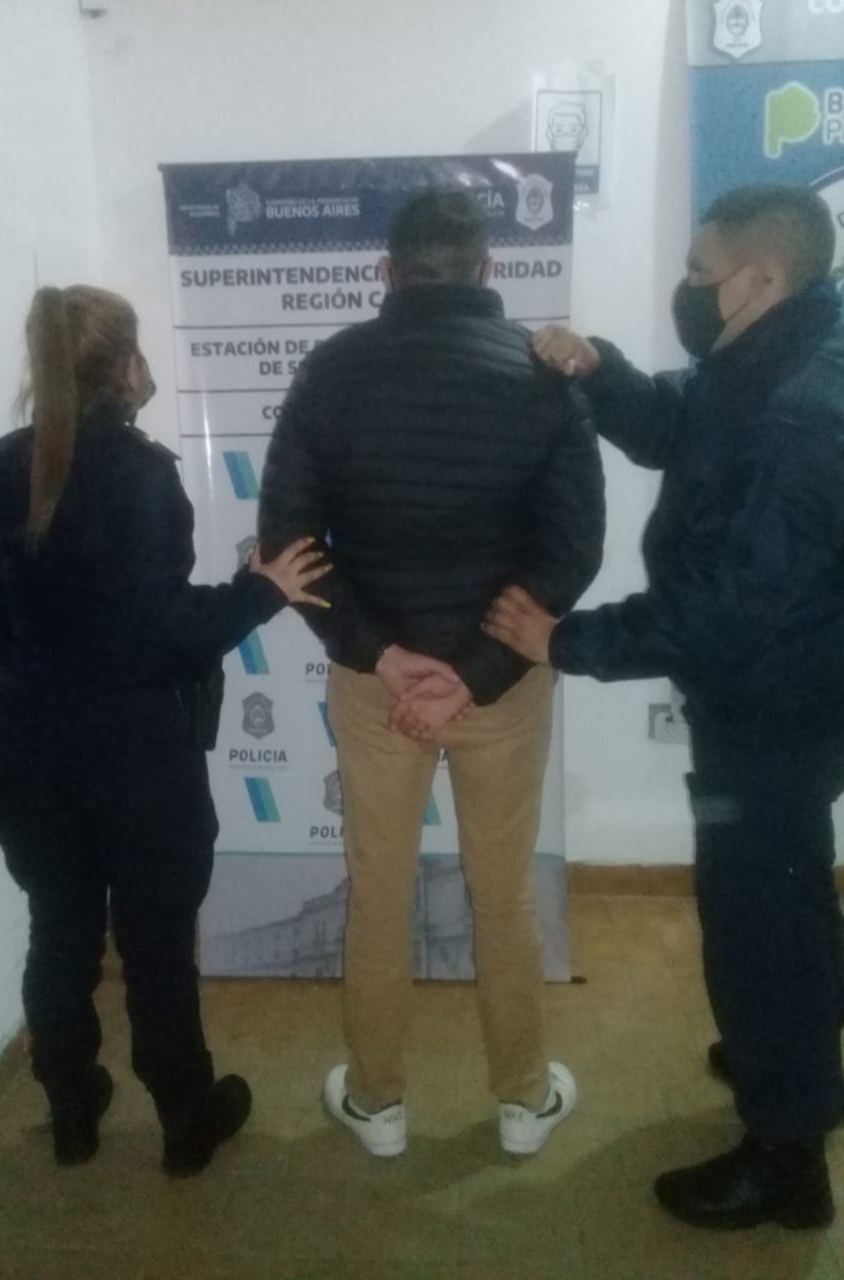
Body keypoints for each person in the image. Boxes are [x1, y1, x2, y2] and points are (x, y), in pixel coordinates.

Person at [486, 184, 844, 1229]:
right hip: (795, 684)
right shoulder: (771, 355)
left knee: (757, 916)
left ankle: (787, 1160)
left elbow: (725, 610)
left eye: (698, 272)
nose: (684, 287)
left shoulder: (803, 414)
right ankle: (798, 1056)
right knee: (789, 890)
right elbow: (681, 424)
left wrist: (567, 642)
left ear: (760, 277)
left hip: (772, 701)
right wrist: (599, 370)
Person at [259, 189, 605, 1157]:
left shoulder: (331, 370)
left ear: (388, 272)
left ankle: (376, 1104)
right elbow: (572, 549)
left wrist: (383, 652)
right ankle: (524, 1101)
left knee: (378, 890)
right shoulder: (544, 377)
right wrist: (476, 671)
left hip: (378, 682)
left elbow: (287, 542)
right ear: (486, 269)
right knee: (503, 891)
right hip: (502, 684)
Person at [0, 286, 326, 1175]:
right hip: (134, 752)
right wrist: (262, 590)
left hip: (23, 750)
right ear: (125, 364)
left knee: (59, 931)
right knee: (157, 944)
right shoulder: (142, 474)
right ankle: (186, 1121)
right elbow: (165, 630)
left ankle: (71, 1111)